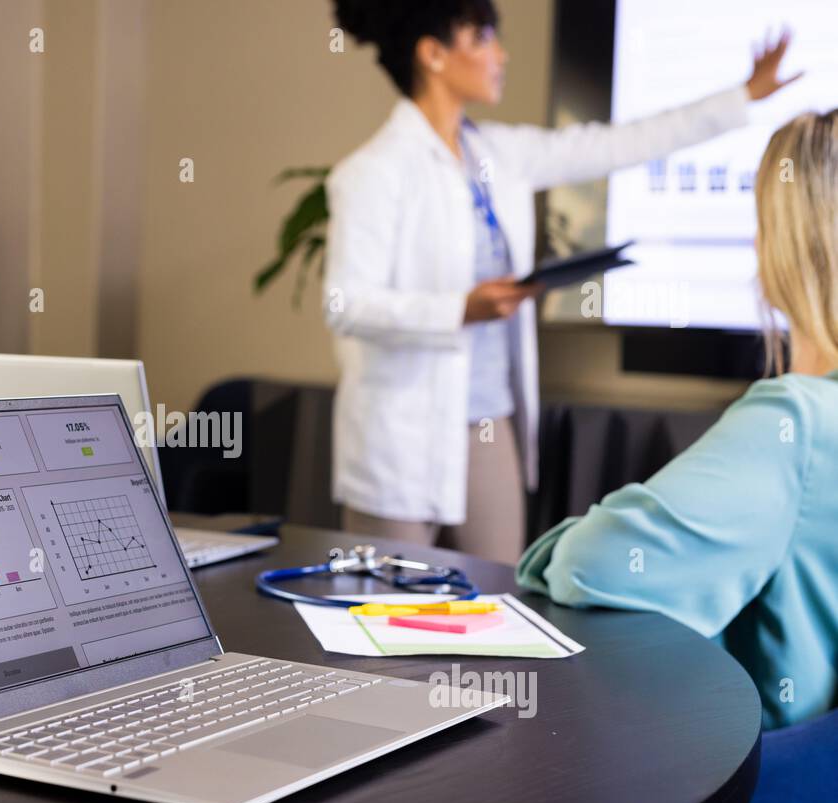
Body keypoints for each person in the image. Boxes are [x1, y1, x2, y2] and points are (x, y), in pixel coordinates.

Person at [323, 0, 799, 562]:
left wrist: (740, 97)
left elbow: (617, 143)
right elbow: (345, 304)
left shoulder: (500, 154)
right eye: (483, 39)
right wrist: (460, 309)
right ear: (432, 54)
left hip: (488, 424)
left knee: (496, 604)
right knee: (382, 618)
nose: (501, 56)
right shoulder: (372, 172)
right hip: (398, 434)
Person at [518, 111, 838, 730]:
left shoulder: (798, 423)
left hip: (765, 791)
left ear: (781, 250)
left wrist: (548, 550)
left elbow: (595, 564)